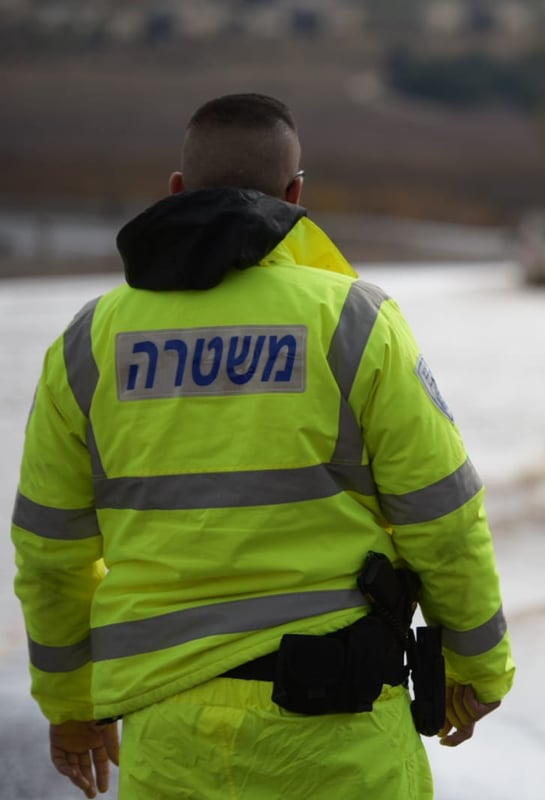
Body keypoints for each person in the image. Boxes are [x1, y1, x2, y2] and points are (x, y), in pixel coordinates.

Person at [11, 93, 515, 799]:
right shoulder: (354, 322)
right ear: (296, 196)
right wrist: (478, 665)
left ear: (177, 190)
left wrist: (70, 709)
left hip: (167, 738)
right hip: (336, 737)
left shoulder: (87, 344)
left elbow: (49, 555)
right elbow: (444, 519)